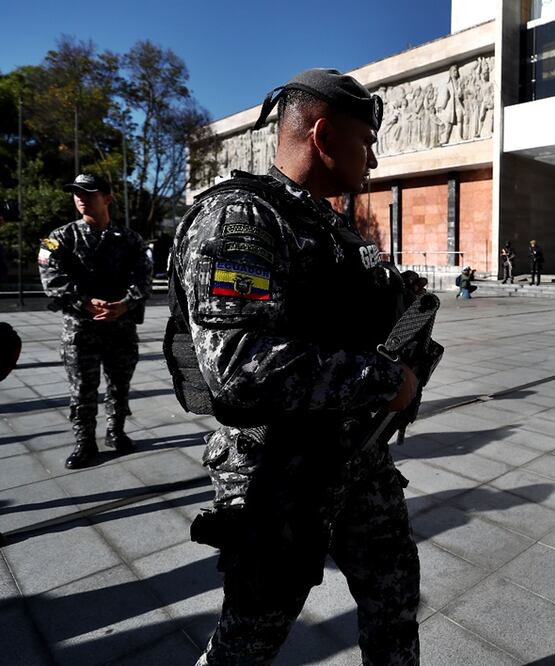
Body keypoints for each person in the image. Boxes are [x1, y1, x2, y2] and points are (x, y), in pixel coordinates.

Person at [167, 69, 422, 665]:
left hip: (358, 454)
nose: (375, 159)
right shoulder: (242, 219)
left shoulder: (326, 225)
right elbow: (237, 362)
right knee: (251, 637)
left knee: (394, 603)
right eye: (366, 141)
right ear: (325, 136)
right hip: (277, 470)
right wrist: (385, 379)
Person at [38, 173, 152, 469]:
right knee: (82, 390)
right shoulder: (57, 238)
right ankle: (84, 442)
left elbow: (144, 279)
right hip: (80, 329)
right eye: (76, 193)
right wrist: (84, 302)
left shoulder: (130, 239)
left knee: (119, 387)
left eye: (89, 193)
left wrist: (125, 305)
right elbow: (51, 279)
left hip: (120, 327)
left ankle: (116, 433)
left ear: (108, 198)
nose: (81, 198)